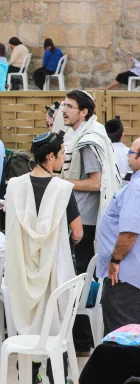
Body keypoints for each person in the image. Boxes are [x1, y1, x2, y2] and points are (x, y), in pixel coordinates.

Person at [5, 132, 82, 384]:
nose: (63, 158)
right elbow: (78, 231)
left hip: (22, 265)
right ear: (50, 156)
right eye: (62, 153)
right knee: (54, 319)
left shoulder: (14, 186)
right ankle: (57, 377)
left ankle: (28, 375)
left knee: (27, 314)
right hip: (54, 267)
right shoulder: (63, 190)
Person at [60, 90, 123, 356]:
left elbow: (96, 183)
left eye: (69, 106)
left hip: (84, 221)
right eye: (63, 104)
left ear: (83, 112)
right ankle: (82, 340)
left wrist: (60, 183)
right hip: (84, 220)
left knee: (78, 281)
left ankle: (82, 341)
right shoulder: (89, 133)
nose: (64, 110)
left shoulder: (87, 141)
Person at [97, 137, 140, 334]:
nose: (127, 155)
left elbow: (130, 232)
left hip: (125, 278)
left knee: (122, 337)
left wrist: (115, 259)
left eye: (131, 152)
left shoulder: (136, 188)